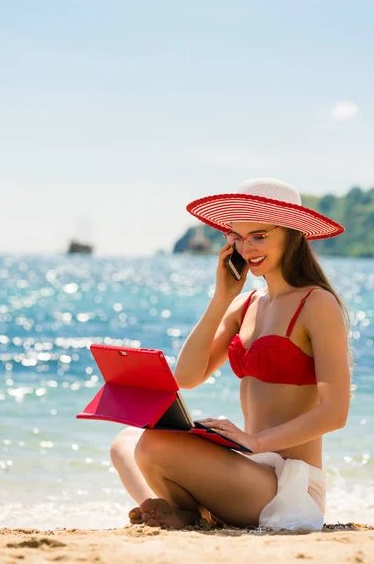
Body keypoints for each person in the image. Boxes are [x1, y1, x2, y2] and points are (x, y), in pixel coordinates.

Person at [110, 178, 351, 531]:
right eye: (238, 237)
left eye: (259, 235)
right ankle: (177, 512)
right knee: (125, 442)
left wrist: (254, 442)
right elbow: (187, 378)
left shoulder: (317, 303)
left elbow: (335, 412)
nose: (248, 248)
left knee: (153, 446)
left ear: (292, 234)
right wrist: (221, 297)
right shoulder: (247, 303)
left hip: (289, 487)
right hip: (249, 469)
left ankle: (179, 512)